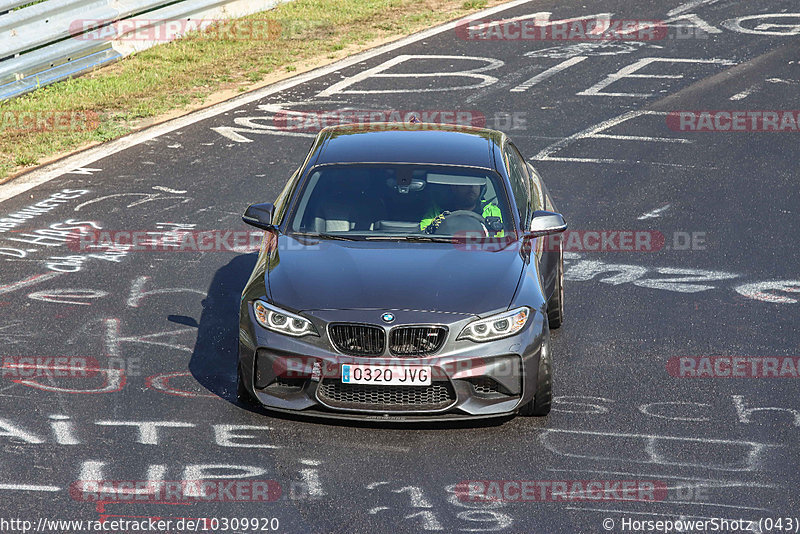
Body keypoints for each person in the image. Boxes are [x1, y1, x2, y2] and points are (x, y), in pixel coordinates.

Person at [420, 184, 502, 233]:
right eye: (466, 184)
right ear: (454, 187)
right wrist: (433, 228)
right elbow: (423, 234)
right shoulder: (437, 212)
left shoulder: (492, 212)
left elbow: (506, 239)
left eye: (476, 184)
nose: (472, 187)